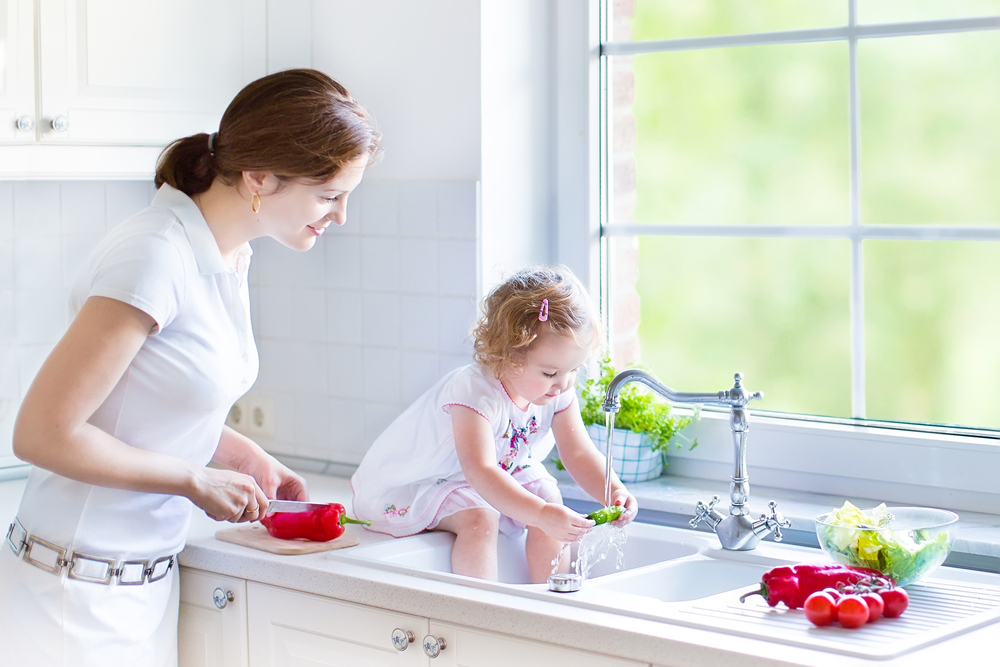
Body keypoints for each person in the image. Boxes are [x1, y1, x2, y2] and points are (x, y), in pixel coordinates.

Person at [1, 69, 382, 667]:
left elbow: (144, 397)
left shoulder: (226, 254)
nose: (339, 217)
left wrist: (240, 456)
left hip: (142, 584)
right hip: (74, 593)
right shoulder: (155, 255)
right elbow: (43, 434)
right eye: (328, 195)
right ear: (259, 177)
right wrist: (191, 478)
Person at [351, 266, 637, 583]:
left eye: (574, 370)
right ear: (509, 356)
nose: (563, 384)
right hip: (439, 477)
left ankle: (552, 605)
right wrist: (540, 515)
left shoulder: (556, 391)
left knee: (550, 501)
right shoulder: (473, 392)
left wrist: (613, 490)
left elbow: (579, 454)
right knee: (481, 518)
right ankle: (485, 612)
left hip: (503, 471)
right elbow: (480, 471)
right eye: (550, 373)